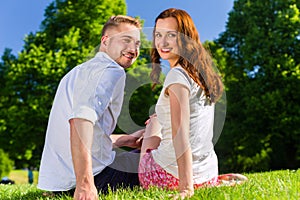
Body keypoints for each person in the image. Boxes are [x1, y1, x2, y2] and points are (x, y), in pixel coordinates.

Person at [138, 8, 247, 199]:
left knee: (153, 123)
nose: (162, 43)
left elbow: (181, 134)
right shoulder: (201, 77)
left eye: (171, 35)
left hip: (168, 177)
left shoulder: (177, 75)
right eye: (158, 35)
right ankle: (211, 182)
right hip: (207, 174)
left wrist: (186, 189)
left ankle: (188, 182)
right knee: (158, 119)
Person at [38, 15, 144, 200]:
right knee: (161, 155)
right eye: (126, 40)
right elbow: (80, 122)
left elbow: (84, 133)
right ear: (105, 40)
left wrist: (124, 140)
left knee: (140, 151)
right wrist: (85, 185)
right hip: (94, 179)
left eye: (137, 44)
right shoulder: (111, 70)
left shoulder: (77, 72)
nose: (133, 49)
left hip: (59, 185)